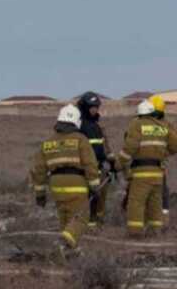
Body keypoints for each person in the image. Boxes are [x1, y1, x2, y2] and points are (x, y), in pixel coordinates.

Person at [30, 104, 100, 260]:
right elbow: (90, 164)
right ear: (76, 121)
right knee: (81, 218)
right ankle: (62, 244)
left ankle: (68, 253)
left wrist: (40, 193)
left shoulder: (48, 142)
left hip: (56, 185)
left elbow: (39, 170)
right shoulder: (80, 139)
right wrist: (95, 186)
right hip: (75, 183)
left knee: (65, 218)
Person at [116, 95, 177, 237]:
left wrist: (119, 164)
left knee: (136, 202)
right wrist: (161, 154)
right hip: (158, 173)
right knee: (155, 203)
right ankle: (155, 232)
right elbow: (175, 146)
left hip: (141, 172)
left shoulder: (137, 125)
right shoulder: (163, 126)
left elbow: (129, 148)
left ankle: (135, 232)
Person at [76, 92, 115, 228]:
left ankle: (97, 222)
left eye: (96, 107)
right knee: (88, 197)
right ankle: (87, 224)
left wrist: (111, 163)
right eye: (92, 107)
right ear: (84, 107)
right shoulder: (79, 126)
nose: (95, 109)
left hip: (99, 167)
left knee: (99, 196)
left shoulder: (97, 126)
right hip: (84, 168)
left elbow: (103, 146)